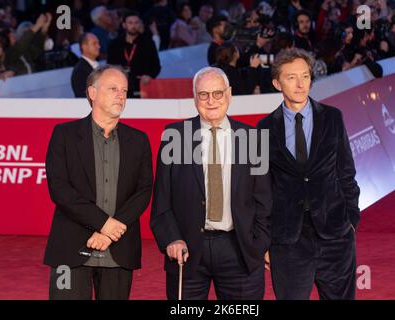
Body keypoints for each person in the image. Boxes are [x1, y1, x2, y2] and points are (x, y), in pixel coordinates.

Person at [151, 66, 272, 300]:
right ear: (195, 98)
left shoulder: (254, 139)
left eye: (217, 93)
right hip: (186, 251)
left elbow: (264, 200)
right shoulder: (175, 136)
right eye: (203, 94)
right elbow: (162, 200)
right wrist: (171, 238)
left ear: (229, 94)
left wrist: (258, 244)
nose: (211, 100)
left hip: (240, 250)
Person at [257, 48, 360, 300]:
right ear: (276, 83)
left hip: (335, 235)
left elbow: (346, 174)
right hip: (288, 241)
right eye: (291, 77)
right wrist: (264, 241)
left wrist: (351, 223)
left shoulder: (333, 118)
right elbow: (258, 188)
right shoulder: (262, 129)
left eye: (305, 76)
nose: (301, 83)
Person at [44, 65, 153, 300]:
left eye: (124, 90)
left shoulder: (139, 140)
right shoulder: (64, 135)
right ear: (92, 93)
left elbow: (143, 191)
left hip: (119, 251)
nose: (121, 95)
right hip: (71, 250)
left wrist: (110, 232)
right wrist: (104, 223)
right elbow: (60, 189)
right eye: (113, 88)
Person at [107, 11, 161, 98]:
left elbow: (156, 66)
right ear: (124, 25)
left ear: (140, 24)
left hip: (142, 86)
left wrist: (149, 76)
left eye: (136, 23)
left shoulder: (148, 43)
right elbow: (109, 65)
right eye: (130, 23)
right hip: (120, 87)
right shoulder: (115, 44)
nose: (134, 26)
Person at [71, 33, 100, 98]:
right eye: (94, 43)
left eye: (98, 43)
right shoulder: (80, 71)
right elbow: (83, 96)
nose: (98, 46)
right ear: (84, 47)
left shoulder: (98, 66)